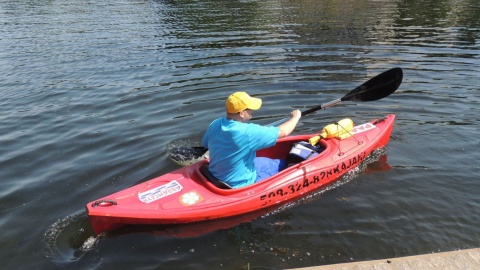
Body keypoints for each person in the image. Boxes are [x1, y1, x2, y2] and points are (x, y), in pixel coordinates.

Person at [202, 92, 301, 188]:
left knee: (280, 163)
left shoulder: (215, 123)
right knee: (285, 170)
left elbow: (206, 144)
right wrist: (296, 117)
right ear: (241, 113)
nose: (252, 111)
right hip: (240, 183)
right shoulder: (248, 132)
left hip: (216, 174)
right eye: (249, 109)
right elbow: (284, 132)